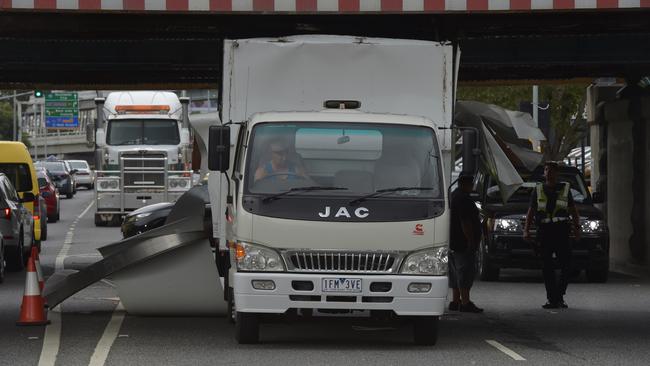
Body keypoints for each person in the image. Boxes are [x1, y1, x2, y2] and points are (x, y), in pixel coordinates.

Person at [524, 161, 580, 309]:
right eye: (547, 170)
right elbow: (531, 211)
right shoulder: (538, 189)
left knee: (566, 265)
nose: (549, 172)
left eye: (552, 170)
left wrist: (577, 228)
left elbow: (573, 210)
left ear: (557, 173)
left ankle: (559, 296)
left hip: (561, 230)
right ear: (544, 173)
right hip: (545, 232)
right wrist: (526, 230)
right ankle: (551, 298)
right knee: (546, 266)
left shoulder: (565, 189)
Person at [448, 172, 483, 313]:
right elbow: (465, 222)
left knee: (456, 273)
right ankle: (465, 302)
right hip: (462, 243)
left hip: (453, 242)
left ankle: (456, 301)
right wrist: (471, 241)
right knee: (465, 272)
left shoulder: (454, 196)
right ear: (466, 184)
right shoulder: (464, 199)